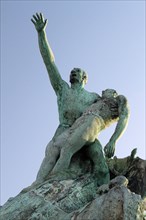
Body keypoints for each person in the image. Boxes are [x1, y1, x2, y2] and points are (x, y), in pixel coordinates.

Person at [31, 13, 101, 183]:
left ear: (84, 77)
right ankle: (37, 186)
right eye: (72, 71)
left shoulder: (93, 97)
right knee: (50, 158)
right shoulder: (62, 89)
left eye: (77, 71)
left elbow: (110, 111)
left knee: (100, 160)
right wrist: (42, 34)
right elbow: (50, 62)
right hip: (63, 130)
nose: (73, 72)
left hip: (85, 134)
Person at [49, 89, 129, 178]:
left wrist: (113, 140)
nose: (102, 91)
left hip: (95, 121)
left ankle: (55, 176)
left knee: (67, 148)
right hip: (79, 122)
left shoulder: (119, 99)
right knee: (55, 147)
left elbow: (124, 117)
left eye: (106, 91)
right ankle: (42, 180)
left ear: (114, 93)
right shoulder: (97, 100)